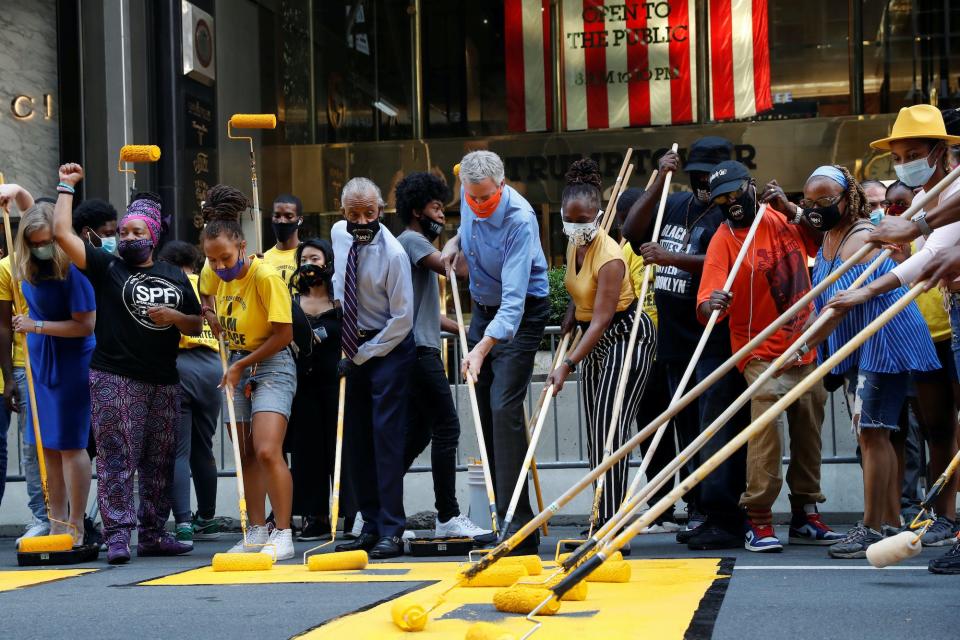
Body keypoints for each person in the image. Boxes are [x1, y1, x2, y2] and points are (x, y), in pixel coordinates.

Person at [52, 163, 202, 564]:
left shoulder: (174, 273)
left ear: (153, 236)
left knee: (160, 461)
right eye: (123, 232)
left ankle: (153, 533)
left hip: (164, 380)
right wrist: (66, 187)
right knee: (118, 457)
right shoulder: (107, 266)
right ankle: (118, 535)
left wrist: (175, 319)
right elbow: (62, 234)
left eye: (137, 232)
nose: (128, 237)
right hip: (114, 376)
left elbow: (199, 321)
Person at [792, 163, 939, 559]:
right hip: (859, 344)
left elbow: (838, 308)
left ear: (846, 198)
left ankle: (872, 527)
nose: (816, 207)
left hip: (884, 340)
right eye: (808, 201)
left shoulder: (860, 238)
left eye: (824, 200)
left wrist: (802, 345)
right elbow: (825, 303)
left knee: (872, 433)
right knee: (874, 433)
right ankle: (889, 520)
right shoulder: (827, 236)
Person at [696, 162, 841, 552]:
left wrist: (791, 209)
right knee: (766, 433)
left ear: (752, 187)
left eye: (736, 192)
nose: (731, 202)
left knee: (809, 431)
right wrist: (714, 303)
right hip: (758, 350)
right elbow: (707, 303)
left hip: (804, 345)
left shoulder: (779, 217)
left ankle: (806, 512)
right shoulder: (723, 240)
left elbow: (822, 238)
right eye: (721, 198)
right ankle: (758, 518)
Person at [621, 138, 750, 550]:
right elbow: (631, 229)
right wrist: (660, 177)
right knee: (685, 426)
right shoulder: (675, 204)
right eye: (694, 173)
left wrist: (671, 259)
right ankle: (696, 506)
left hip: (712, 340)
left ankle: (715, 510)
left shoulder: (731, 211)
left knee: (711, 429)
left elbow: (727, 261)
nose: (699, 182)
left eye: (706, 175)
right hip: (675, 340)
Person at [439, 151, 550, 553]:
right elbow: (466, 232)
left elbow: (515, 304)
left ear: (501, 187)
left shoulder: (520, 219)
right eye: (472, 199)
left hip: (520, 313)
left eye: (486, 199)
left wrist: (483, 347)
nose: (479, 206)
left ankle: (520, 530)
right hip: (484, 307)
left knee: (504, 408)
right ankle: (502, 514)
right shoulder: (470, 200)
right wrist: (454, 242)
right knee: (482, 405)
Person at [547, 159, 654, 541]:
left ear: (600, 215)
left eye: (585, 219)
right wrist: (570, 312)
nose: (577, 226)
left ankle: (610, 525)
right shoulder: (573, 242)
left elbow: (603, 318)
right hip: (593, 336)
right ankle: (601, 515)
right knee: (597, 431)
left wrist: (567, 364)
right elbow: (582, 296)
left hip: (626, 334)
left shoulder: (610, 255)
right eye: (570, 218)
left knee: (612, 428)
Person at [201, 185, 298, 561]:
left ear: (242, 246)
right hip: (238, 362)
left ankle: (284, 532)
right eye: (213, 261)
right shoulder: (214, 272)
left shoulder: (265, 276)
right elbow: (205, 292)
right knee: (244, 453)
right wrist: (210, 313)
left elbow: (284, 333)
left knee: (267, 449)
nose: (221, 267)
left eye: (226, 258)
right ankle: (256, 529)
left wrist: (241, 364)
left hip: (271, 361)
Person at [395, 171, 490, 539]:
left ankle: (375, 505)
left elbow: (427, 312)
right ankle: (447, 516)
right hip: (419, 353)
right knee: (447, 426)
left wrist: (462, 330)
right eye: (437, 209)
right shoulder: (412, 241)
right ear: (418, 210)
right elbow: (458, 269)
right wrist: (471, 231)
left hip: (421, 347)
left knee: (417, 435)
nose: (441, 216)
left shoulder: (411, 245)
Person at [331, 177, 415, 559]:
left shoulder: (394, 254)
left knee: (385, 438)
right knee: (357, 438)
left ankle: (392, 529)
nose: (361, 221)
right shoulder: (338, 234)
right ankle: (370, 523)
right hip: (353, 341)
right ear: (342, 213)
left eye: (369, 213)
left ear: (381, 211)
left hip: (388, 347)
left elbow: (402, 320)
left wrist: (363, 353)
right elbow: (339, 278)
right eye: (354, 214)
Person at [12, 203, 96, 545]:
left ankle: (76, 523)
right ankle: (56, 522)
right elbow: (28, 204)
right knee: (45, 445)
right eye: (33, 242)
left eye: (45, 240)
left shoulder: (74, 269)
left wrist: (37, 325)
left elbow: (86, 325)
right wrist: (16, 193)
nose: (40, 246)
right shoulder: (30, 264)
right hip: (39, 359)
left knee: (70, 443)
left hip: (71, 359)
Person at [617, 187, 680, 534]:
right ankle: (660, 508)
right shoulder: (626, 250)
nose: (627, 229)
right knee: (652, 432)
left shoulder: (668, 244)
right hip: (642, 354)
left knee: (680, 430)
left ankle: (684, 505)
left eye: (630, 221)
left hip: (672, 351)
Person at [157, 240, 225, 547]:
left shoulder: (168, 285)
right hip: (213, 366)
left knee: (178, 450)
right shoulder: (210, 285)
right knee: (204, 447)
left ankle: (183, 521)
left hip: (179, 365)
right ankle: (207, 517)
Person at [286, 238, 351, 541]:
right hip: (303, 385)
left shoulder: (342, 301)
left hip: (337, 382)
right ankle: (315, 516)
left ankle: (348, 511)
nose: (309, 264)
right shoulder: (291, 302)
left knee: (341, 449)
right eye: (303, 259)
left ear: (328, 262)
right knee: (307, 450)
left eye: (315, 258)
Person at [0, 182, 48, 542]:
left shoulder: (58, 255)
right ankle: (41, 515)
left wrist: (17, 192)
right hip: (24, 361)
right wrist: (9, 379)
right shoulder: (8, 268)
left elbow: (37, 215)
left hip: (65, 356)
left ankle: (71, 514)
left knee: (68, 443)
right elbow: (3, 326)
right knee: (33, 446)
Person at [263, 194, 303, 283]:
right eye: (277, 216)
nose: (282, 221)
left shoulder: (309, 256)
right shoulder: (263, 259)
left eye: (288, 216)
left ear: (300, 220)